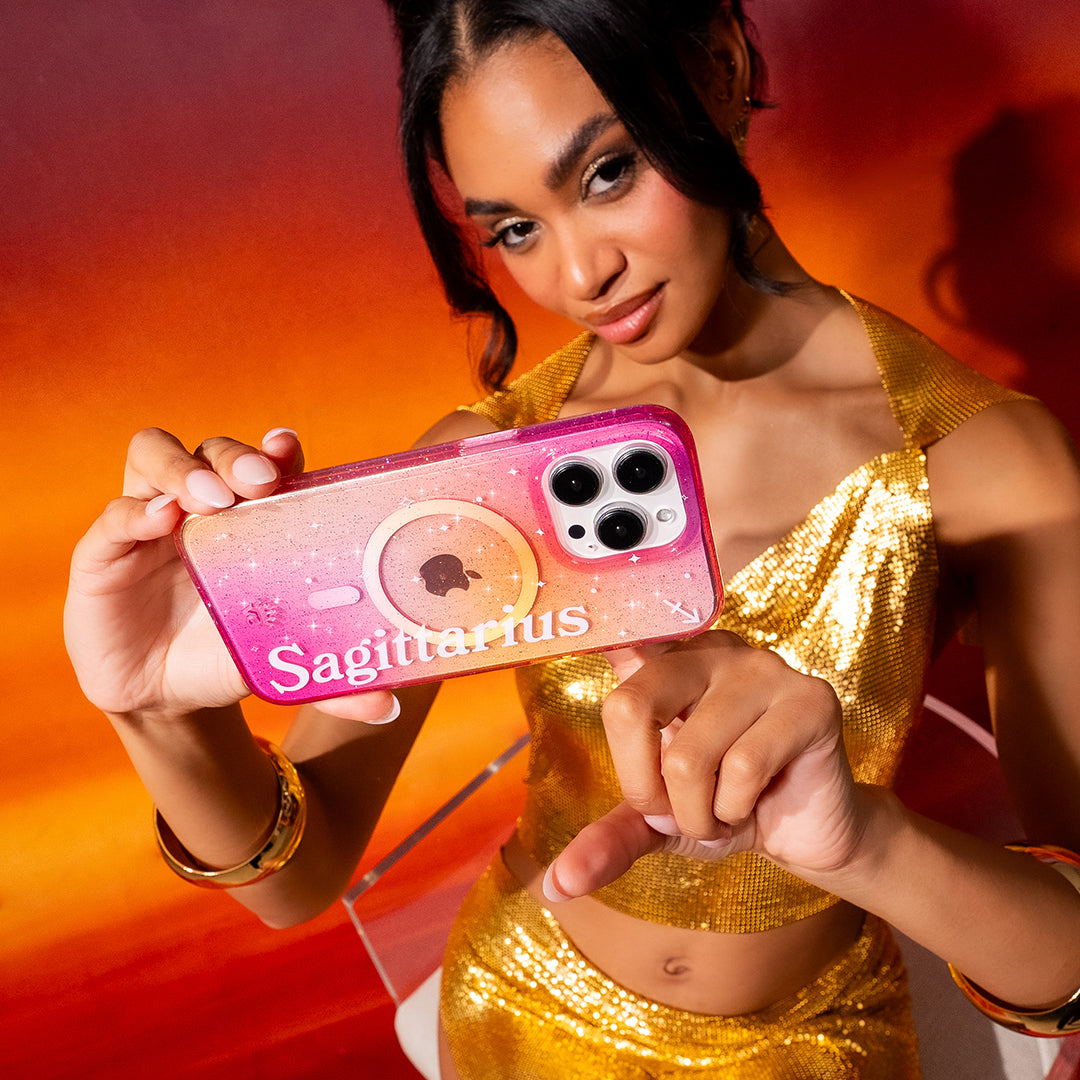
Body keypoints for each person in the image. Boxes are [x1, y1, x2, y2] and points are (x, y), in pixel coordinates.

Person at [63, 1, 1080, 1076]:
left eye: (607, 174)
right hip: (520, 1020)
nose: (578, 275)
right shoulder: (486, 467)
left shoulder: (982, 460)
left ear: (720, 64)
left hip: (819, 1048)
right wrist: (154, 713)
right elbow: (297, 876)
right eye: (514, 230)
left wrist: (866, 843)